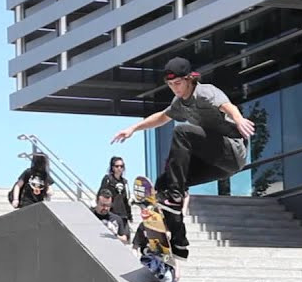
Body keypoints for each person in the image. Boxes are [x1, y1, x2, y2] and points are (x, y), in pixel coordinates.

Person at [110, 57, 254, 259]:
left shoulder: (205, 92)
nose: (175, 89)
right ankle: (179, 243)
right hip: (217, 165)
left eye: (178, 83)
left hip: (231, 152)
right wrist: (133, 128)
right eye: (170, 85)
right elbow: (162, 116)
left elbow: (226, 105)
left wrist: (239, 119)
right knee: (164, 183)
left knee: (182, 132)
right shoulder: (179, 103)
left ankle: (176, 196)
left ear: (189, 79)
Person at [98, 156, 132, 232]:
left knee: (125, 239)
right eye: (117, 166)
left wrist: (129, 215)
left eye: (121, 166)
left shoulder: (125, 182)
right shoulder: (108, 179)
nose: (119, 168)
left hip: (123, 215)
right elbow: (101, 195)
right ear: (112, 167)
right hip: (112, 214)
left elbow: (126, 200)